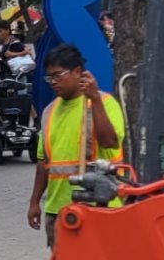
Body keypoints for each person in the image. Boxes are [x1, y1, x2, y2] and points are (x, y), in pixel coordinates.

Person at [26, 44, 125, 248]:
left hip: (98, 205)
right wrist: (34, 201)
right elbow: (43, 162)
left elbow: (109, 142)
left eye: (58, 75)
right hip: (58, 209)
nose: (53, 82)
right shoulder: (48, 112)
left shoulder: (103, 102)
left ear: (77, 72)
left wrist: (94, 98)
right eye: (49, 77)